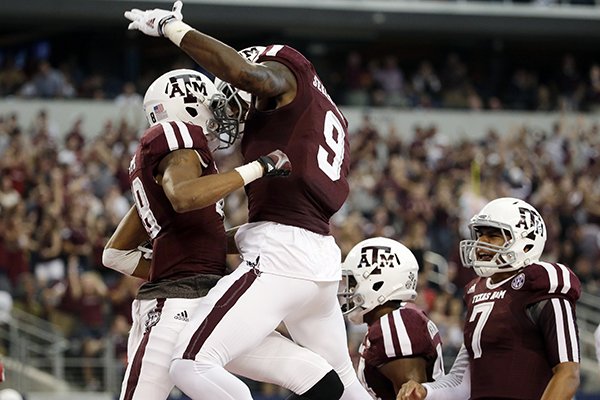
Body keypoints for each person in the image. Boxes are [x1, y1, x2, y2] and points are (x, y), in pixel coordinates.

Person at [124, 2, 371, 399]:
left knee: (190, 362)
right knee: (342, 381)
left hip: (279, 258)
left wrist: (172, 28)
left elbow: (243, 73)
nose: (228, 112)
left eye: (233, 99)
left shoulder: (284, 72)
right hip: (321, 257)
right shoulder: (324, 110)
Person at [103, 68, 343, 400]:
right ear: (186, 106)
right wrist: (258, 167)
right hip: (172, 307)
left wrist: (246, 237)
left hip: (209, 299)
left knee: (320, 377)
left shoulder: (183, 163)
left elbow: (114, 254)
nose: (222, 115)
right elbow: (184, 196)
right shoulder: (176, 139)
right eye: (213, 106)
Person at [399, 197, 581, 400]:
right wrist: (426, 391)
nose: (481, 242)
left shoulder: (541, 283)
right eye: (480, 234)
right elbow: (461, 380)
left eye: (493, 235)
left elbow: (568, 374)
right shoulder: (476, 291)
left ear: (526, 245)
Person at [339, 237, 444, 399]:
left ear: (377, 283)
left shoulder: (396, 324)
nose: (348, 291)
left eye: (353, 283)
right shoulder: (393, 320)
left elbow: (413, 395)